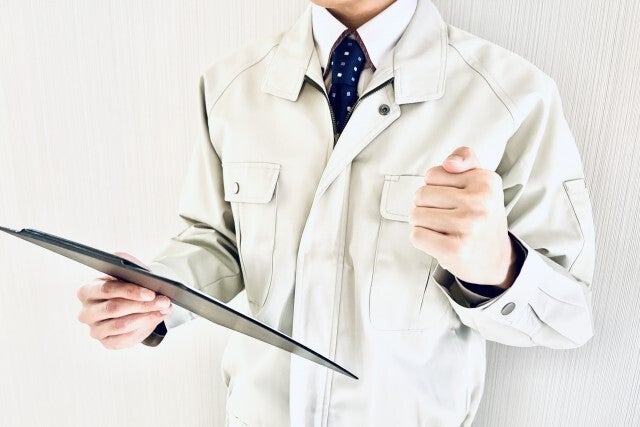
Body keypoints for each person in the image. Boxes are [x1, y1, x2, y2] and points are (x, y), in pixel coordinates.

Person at [76, 0, 596, 425]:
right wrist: (150, 295)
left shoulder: (512, 97)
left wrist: (498, 268)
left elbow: (568, 318)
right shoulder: (230, 85)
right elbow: (219, 240)